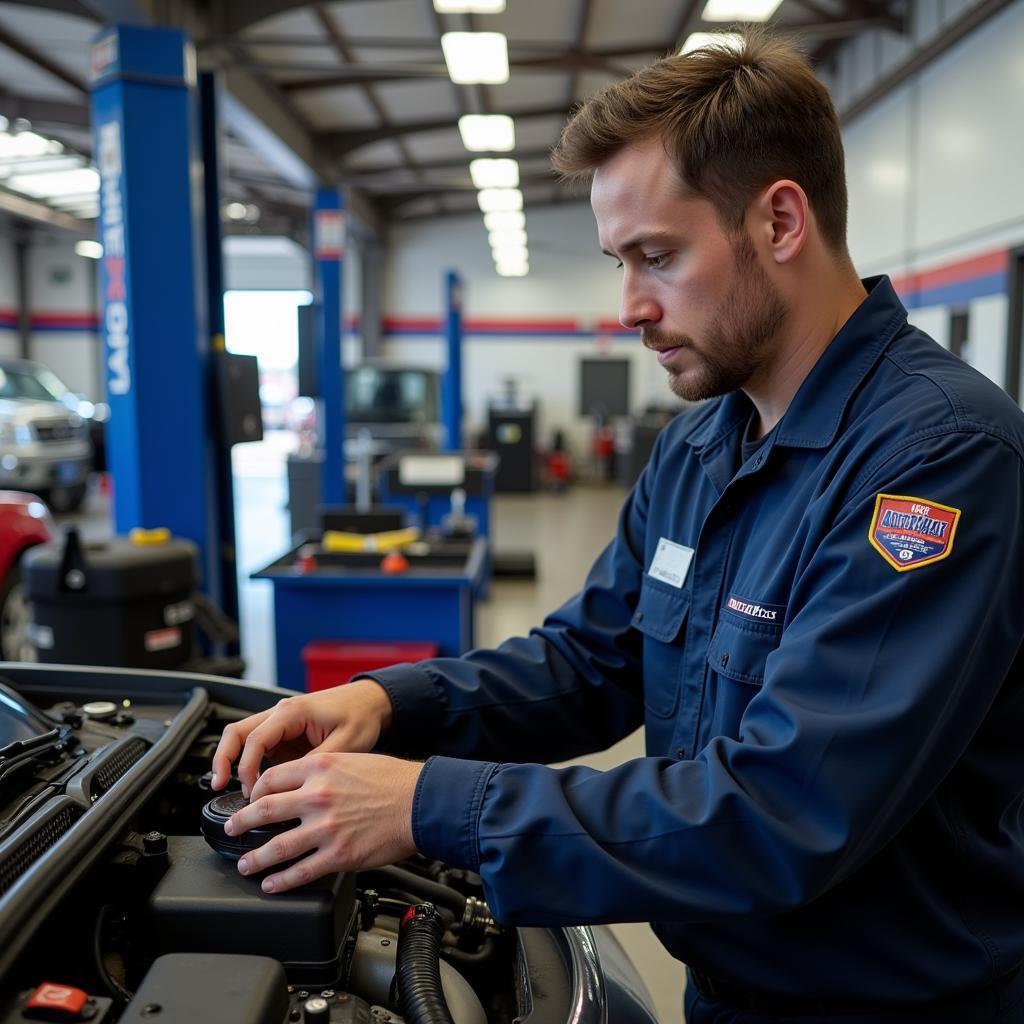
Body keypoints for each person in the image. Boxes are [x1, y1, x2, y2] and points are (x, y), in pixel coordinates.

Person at [212, 30, 1024, 1023]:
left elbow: (784, 810)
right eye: (618, 261)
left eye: (657, 256)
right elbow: (591, 661)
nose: (630, 306)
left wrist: (425, 806)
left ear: (778, 221)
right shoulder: (696, 452)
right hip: (729, 986)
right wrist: (387, 705)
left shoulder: (936, 464)